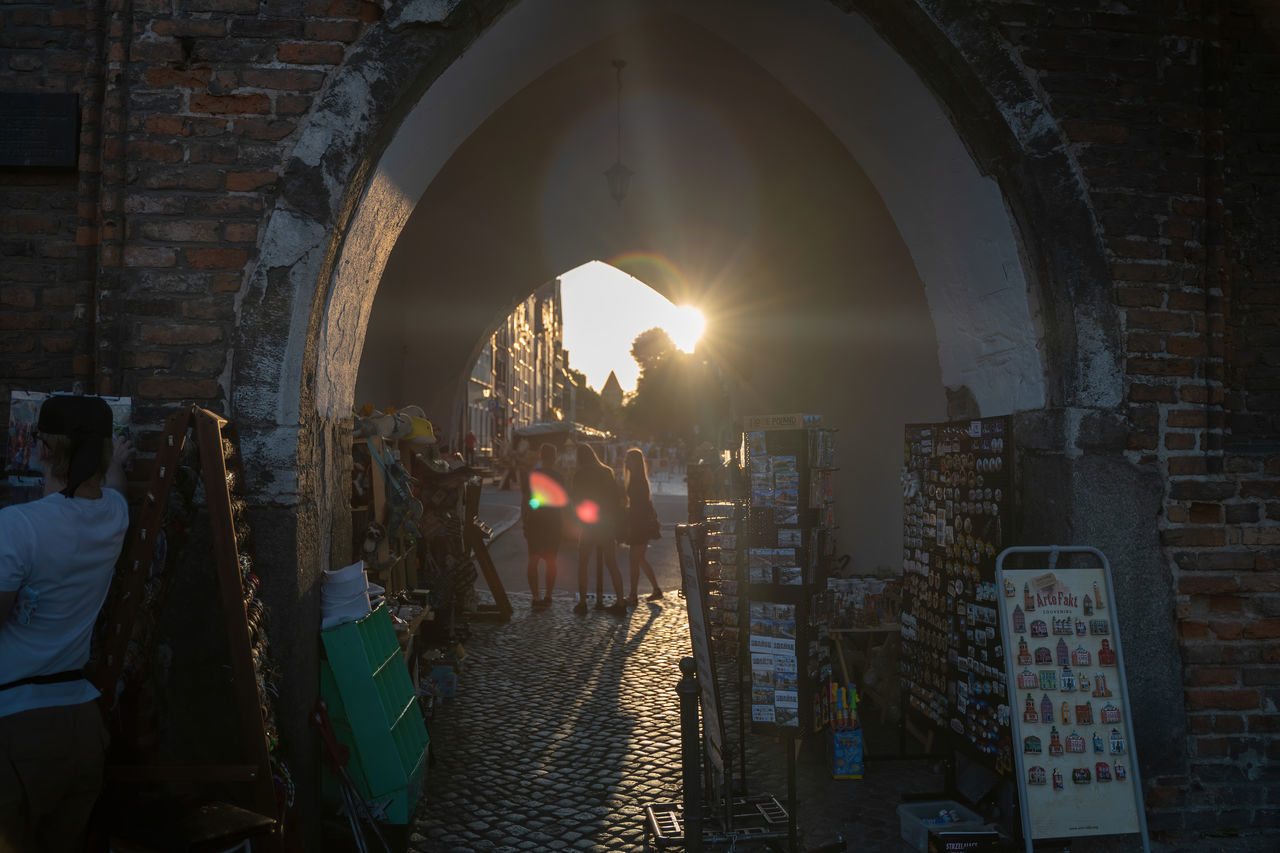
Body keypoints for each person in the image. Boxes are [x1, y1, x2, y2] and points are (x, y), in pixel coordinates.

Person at [0, 395, 133, 853]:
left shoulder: (17, 527)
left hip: (16, 728)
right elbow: (110, 486)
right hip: (79, 723)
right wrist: (112, 459)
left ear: (42, 450)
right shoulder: (116, 516)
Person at [569, 444, 625, 615]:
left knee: (583, 564)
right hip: (606, 523)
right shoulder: (607, 472)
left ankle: (583, 602)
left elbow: (576, 499)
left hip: (589, 524)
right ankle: (621, 601)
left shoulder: (580, 474)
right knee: (612, 563)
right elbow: (616, 498)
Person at [521, 443, 563, 609]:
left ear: (540, 456)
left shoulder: (532, 475)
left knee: (533, 560)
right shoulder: (559, 477)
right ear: (554, 458)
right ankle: (548, 595)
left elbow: (525, 501)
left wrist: (524, 521)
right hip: (553, 522)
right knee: (551, 561)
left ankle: (536, 596)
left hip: (535, 522)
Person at [622, 447, 663, 605]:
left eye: (628, 459)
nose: (626, 462)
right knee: (640, 560)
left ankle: (633, 596)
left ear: (635, 462)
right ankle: (656, 589)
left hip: (639, 525)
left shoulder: (637, 480)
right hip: (639, 524)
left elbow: (639, 506)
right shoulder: (638, 479)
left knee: (635, 560)